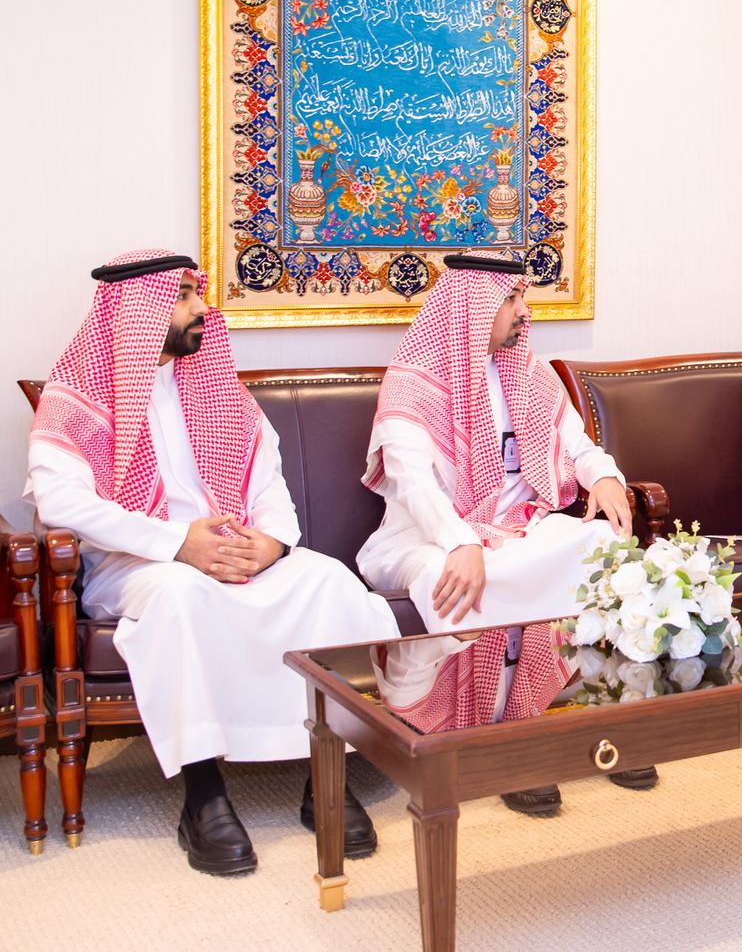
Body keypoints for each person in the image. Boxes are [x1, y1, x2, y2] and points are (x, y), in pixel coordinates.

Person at [26, 249, 400, 876]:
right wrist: (178, 543)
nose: (203, 307)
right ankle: (203, 796)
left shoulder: (217, 387)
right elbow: (60, 501)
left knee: (326, 581)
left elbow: (269, 485)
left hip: (235, 547)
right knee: (181, 596)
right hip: (139, 562)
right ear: (138, 310)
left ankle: (326, 777)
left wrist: (272, 543)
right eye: (183, 296)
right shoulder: (77, 396)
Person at [357, 253, 652, 813]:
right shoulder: (413, 382)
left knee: (605, 549)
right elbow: (412, 482)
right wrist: (461, 542)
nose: (524, 311)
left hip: (517, 534)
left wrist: (605, 476)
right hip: (426, 538)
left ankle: (590, 716)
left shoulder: (529, 373)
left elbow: (578, 446)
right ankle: (470, 736)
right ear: (472, 306)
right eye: (511, 299)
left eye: (522, 297)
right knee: (451, 579)